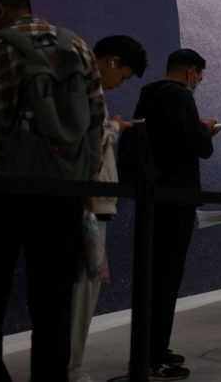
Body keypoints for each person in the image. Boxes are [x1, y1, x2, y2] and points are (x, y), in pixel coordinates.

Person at [0, 0, 105, 381]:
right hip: (60, 195)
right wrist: (81, 181)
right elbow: (96, 124)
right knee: (52, 305)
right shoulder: (78, 47)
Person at [131, 49, 220, 379]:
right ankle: (154, 358)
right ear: (191, 72)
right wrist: (205, 128)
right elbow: (200, 147)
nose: (197, 83)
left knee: (151, 278)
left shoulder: (148, 94)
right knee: (167, 279)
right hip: (176, 199)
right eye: (199, 77)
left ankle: (149, 347)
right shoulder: (181, 96)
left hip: (152, 198)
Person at [68, 36, 148, 382]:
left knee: (76, 292)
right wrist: (115, 126)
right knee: (82, 293)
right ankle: (70, 368)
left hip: (85, 200)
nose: (120, 84)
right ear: (112, 62)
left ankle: (67, 365)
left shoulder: (73, 82)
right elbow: (88, 140)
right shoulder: (87, 87)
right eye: (125, 76)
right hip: (90, 202)